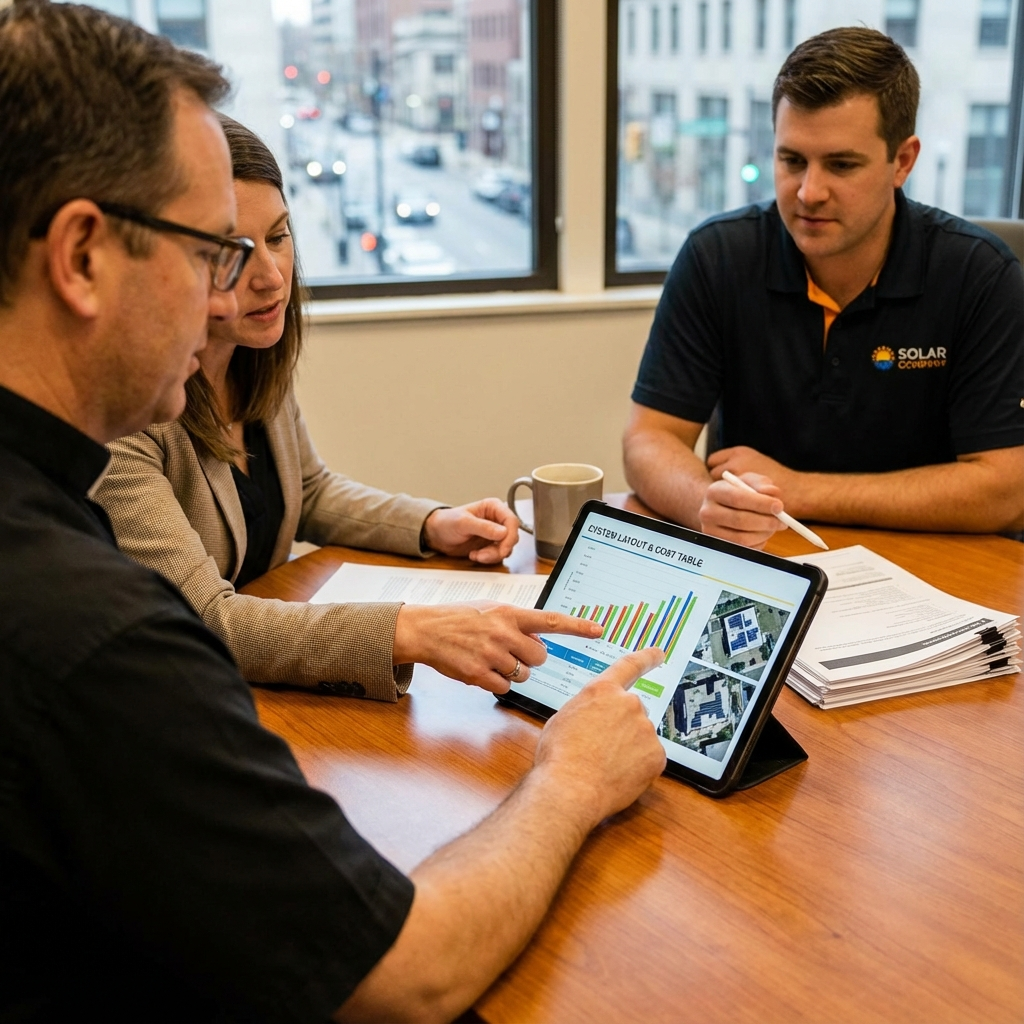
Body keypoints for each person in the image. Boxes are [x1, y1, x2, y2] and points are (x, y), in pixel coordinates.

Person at [0, 3, 666, 1021]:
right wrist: (569, 779)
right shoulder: (100, 636)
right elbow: (407, 973)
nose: (236, 285)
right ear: (84, 256)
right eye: (205, 250)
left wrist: (430, 523)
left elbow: (307, 490)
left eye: (264, 243)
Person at [96, 117, 545, 699]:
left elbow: (308, 491)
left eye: (279, 238)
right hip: (187, 694)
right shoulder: (125, 417)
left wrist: (434, 524)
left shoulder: (252, 355)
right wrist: (406, 630)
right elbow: (206, 620)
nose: (269, 276)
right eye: (232, 250)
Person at [623, 27, 1024, 549]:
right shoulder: (718, 256)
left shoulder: (980, 274)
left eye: (841, 164)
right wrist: (706, 504)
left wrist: (801, 491)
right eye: (792, 161)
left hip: (933, 567)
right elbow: (649, 439)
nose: (809, 192)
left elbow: (1006, 487)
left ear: (902, 161)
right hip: (769, 559)